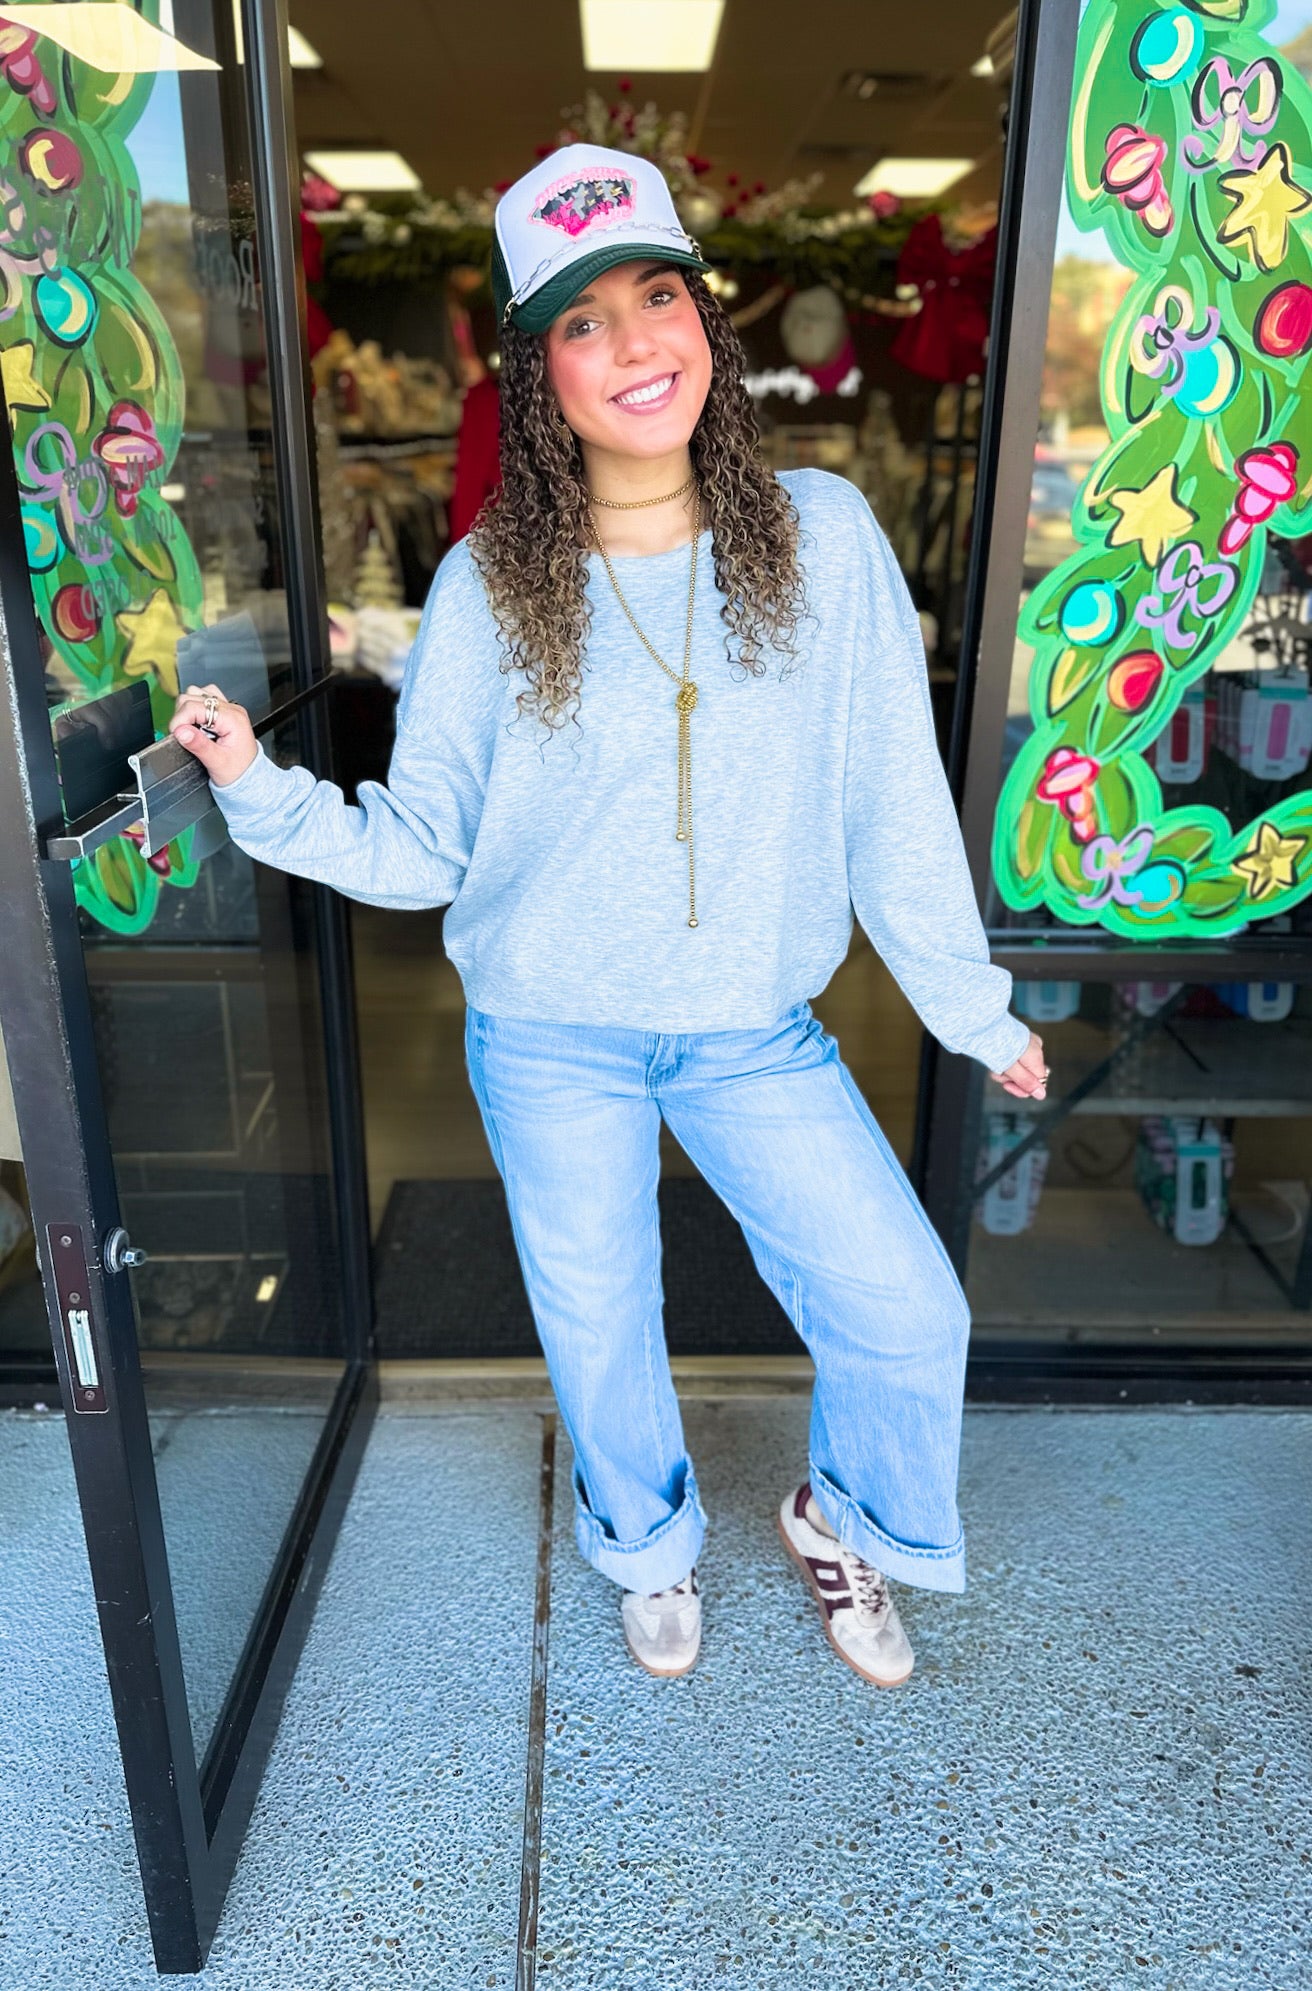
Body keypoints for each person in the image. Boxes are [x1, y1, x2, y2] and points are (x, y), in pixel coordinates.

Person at [171, 143, 1048, 1688]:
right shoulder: (485, 588)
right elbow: (429, 842)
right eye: (584, 320)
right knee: (601, 1327)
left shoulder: (827, 538)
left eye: (659, 295)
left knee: (907, 1312)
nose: (637, 342)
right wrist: (264, 791)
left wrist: (969, 1009)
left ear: (708, 321)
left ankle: (836, 1518)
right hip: (551, 1030)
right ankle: (646, 1549)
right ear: (537, 371)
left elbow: (892, 807)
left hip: (750, 1031)